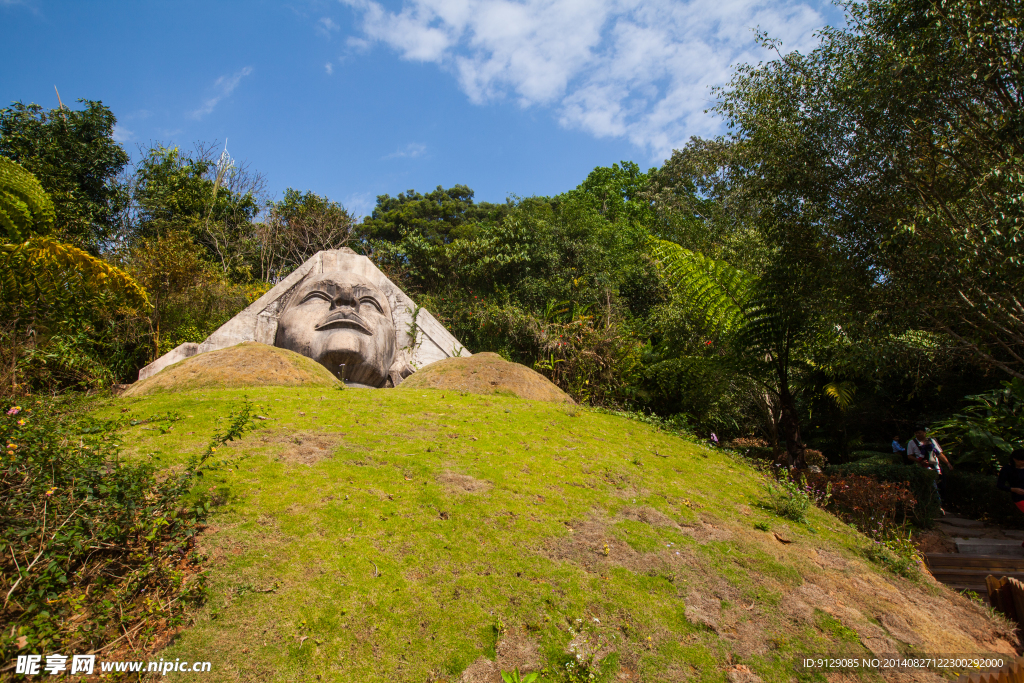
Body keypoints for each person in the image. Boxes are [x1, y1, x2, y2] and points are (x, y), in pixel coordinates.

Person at [906, 425, 953, 513]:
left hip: (935, 466)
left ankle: (941, 505)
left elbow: (939, 454)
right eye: (916, 433)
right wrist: (920, 461)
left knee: (941, 485)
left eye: (919, 433)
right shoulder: (912, 443)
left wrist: (948, 463)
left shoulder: (932, 441)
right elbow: (909, 456)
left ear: (924, 432)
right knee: (932, 487)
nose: (918, 435)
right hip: (923, 467)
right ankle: (934, 506)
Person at [997, 449, 1024, 515]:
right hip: (1019, 497)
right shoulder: (1007, 469)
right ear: (1015, 459)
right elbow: (1000, 485)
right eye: (1022, 460)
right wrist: (1013, 489)